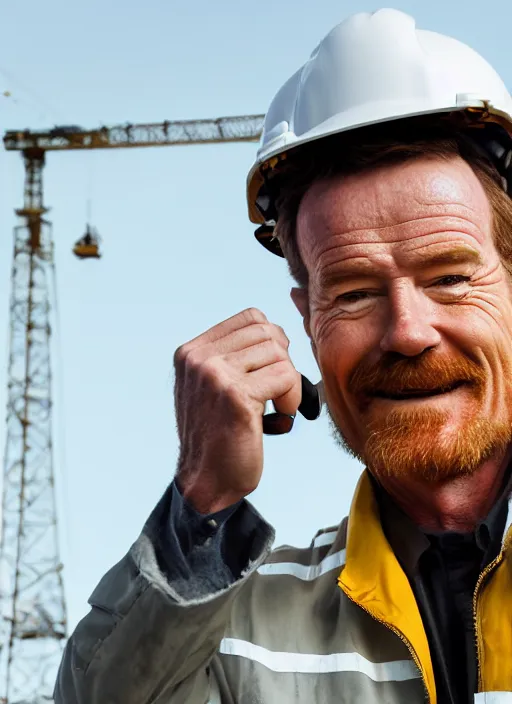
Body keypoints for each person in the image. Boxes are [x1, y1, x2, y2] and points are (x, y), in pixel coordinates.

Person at [54, 9, 512, 704]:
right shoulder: (234, 631)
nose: (407, 331)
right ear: (306, 319)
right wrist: (201, 496)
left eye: (449, 276)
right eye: (354, 293)